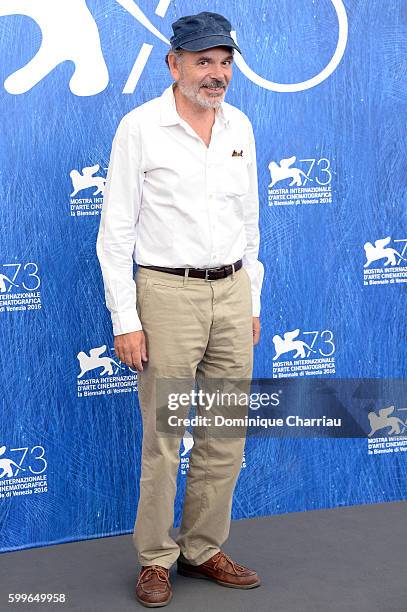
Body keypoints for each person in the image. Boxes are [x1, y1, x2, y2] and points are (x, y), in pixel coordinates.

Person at [96, 10, 264, 608]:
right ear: (174, 64)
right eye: (203, 62)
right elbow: (115, 234)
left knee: (224, 432)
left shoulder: (240, 124)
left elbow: (250, 224)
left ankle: (202, 548)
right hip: (166, 295)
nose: (216, 75)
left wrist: (252, 299)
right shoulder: (139, 128)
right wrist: (126, 319)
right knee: (165, 437)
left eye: (224, 63)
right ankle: (155, 558)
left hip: (233, 290)